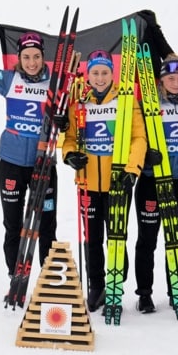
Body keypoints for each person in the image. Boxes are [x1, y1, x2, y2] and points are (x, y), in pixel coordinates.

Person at [0, 22, 59, 284]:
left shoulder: (56, 83)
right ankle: (15, 275)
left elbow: (73, 114)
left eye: (36, 56)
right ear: (19, 58)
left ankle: (49, 279)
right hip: (12, 163)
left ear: (42, 56)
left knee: (47, 226)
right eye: (26, 57)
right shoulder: (8, 79)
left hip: (44, 164)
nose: (31, 62)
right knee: (13, 225)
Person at [61, 50, 147, 312]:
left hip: (117, 181)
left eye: (105, 73)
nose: (100, 78)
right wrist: (69, 156)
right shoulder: (79, 103)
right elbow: (70, 139)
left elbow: (139, 138)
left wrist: (132, 170)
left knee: (116, 237)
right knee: (92, 238)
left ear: (113, 73)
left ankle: (115, 285)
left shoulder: (125, 100)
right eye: (95, 73)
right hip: (88, 182)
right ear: (88, 76)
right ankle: (96, 286)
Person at [132, 54, 178, 314]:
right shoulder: (148, 102)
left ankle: (176, 290)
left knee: (177, 238)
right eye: (171, 78)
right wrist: (145, 156)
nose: (177, 83)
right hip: (151, 179)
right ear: (161, 79)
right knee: (147, 240)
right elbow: (133, 135)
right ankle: (144, 294)